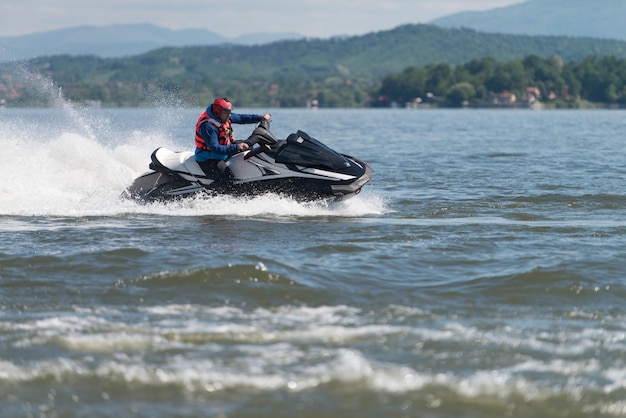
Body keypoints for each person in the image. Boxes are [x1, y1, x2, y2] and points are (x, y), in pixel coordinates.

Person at [194, 97, 271, 177]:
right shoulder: (208, 127)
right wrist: (236, 147)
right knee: (227, 177)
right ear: (217, 112)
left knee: (249, 148)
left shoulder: (223, 116)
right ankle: (214, 189)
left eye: (230, 112)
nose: (229, 115)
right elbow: (215, 148)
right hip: (209, 158)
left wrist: (260, 118)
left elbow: (241, 118)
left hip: (223, 150)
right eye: (226, 112)